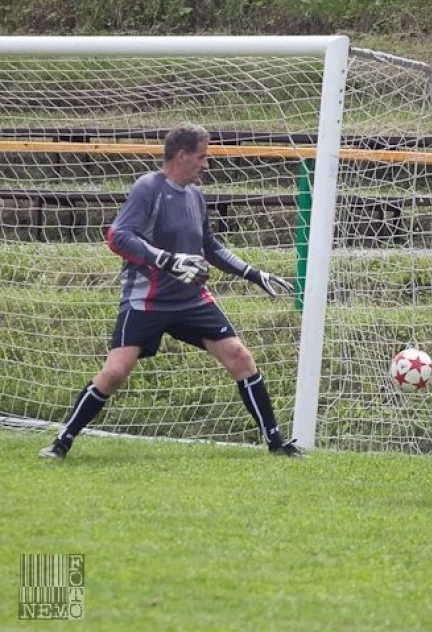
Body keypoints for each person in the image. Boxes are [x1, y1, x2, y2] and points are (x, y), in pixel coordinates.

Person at [39, 123, 303, 460]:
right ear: (182, 156)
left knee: (239, 356)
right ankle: (61, 442)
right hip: (146, 300)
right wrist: (165, 260)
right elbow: (118, 236)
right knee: (115, 372)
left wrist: (252, 273)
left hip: (191, 299)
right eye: (201, 157)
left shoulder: (195, 195)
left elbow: (210, 247)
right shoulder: (148, 188)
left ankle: (276, 443)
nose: (206, 165)